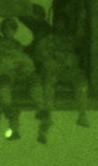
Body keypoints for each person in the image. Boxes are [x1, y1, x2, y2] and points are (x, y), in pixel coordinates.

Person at [32, 13, 90, 143]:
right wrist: (53, 58)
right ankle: (48, 118)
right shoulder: (47, 39)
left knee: (81, 82)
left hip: (68, 71)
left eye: (63, 23)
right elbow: (39, 54)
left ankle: (82, 114)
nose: (60, 25)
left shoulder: (70, 39)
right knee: (48, 85)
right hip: (52, 70)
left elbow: (77, 54)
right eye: (58, 22)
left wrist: (70, 61)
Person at [0, 17, 36, 140]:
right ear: (3, 30)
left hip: (17, 77)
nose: (9, 31)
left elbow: (23, 60)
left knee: (14, 104)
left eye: (11, 29)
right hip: (3, 76)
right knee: (3, 98)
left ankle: (14, 130)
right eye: (6, 29)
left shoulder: (18, 45)